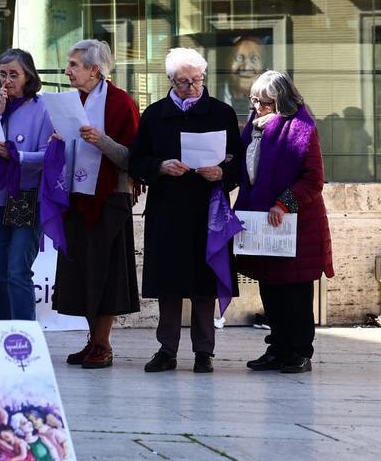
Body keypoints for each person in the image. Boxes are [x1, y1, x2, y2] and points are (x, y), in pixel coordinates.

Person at [129, 47, 243, 374]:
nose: (192, 88)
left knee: (205, 282)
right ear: (170, 80)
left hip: (208, 208)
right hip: (168, 208)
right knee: (169, 283)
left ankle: (204, 351)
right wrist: (160, 166)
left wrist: (222, 172)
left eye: (196, 80)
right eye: (183, 82)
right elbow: (136, 161)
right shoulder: (154, 114)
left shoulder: (220, 113)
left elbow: (238, 163)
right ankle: (166, 350)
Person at [47, 40, 141, 370]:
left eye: (74, 65)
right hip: (76, 196)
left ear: (94, 70)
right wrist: (58, 141)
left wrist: (99, 140)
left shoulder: (120, 103)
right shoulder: (71, 101)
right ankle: (92, 341)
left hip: (109, 198)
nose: (67, 70)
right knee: (83, 273)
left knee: (107, 273)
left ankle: (103, 343)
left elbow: (133, 159)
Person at [234, 71, 333, 374]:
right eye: (254, 100)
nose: (257, 107)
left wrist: (283, 204)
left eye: (264, 102)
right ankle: (277, 348)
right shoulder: (253, 128)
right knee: (271, 289)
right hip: (264, 223)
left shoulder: (302, 128)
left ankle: (299, 352)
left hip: (297, 224)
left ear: (281, 101)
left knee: (296, 294)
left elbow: (314, 179)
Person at [0, 49, 53, 320]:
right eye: (3, 74)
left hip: (26, 195)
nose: (7, 81)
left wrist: (17, 156)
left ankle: (24, 338)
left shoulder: (42, 109)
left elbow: (48, 156)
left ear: (27, 75)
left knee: (17, 268)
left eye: (14, 74)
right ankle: (3, 333)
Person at [221, 35, 266, 121]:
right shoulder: (213, 93)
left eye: (255, 59)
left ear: (263, 66)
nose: (246, 67)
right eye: (239, 58)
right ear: (227, 62)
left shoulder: (270, 102)